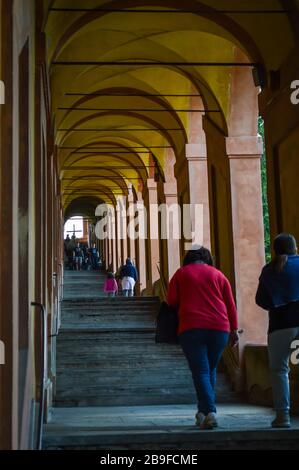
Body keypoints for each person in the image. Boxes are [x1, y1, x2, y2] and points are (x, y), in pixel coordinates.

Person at [167, 246, 239, 430]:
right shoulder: (218, 275)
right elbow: (231, 305)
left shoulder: (181, 274)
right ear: (208, 259)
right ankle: (203, 413)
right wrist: (234, 330)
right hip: (220, 328)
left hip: (191, 327)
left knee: (200, 371)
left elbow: (171, 301)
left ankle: (210, 411)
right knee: (210, 369)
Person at [256, 233, 299, 428]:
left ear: (275, 250)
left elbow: (261, 301)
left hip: (280, 326)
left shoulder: (269, 270)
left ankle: (283, 416)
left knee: (280, 370)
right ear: (294, 248)